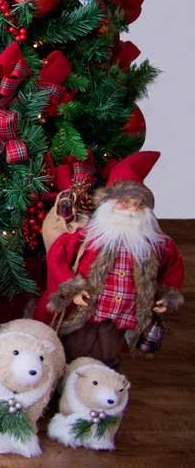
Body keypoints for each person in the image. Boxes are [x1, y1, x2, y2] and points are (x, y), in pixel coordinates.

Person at [33, 151, 184, 365]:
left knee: (107, 349)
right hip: (84, 309)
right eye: (126, 202)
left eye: (139, 204)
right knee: (75, 344)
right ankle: (65, 369)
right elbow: (58, 255)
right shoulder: (88, 237)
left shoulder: (155, 243)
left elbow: (174, 265)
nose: (133, 209)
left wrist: (165, 294)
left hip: (120, 316)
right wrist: (71, 287)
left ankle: (100, 373)